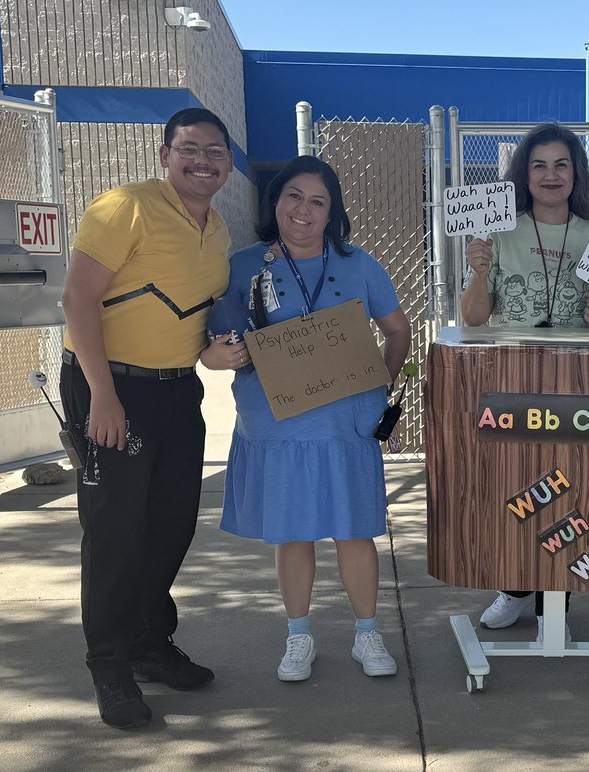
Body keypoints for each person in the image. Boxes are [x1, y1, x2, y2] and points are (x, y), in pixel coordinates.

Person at [60, 107, 241, 729]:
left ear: (229, 163)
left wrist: (213, 355)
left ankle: (147, 643)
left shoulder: (216, 229)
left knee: (170, 527)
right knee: (115, 535)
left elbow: (189, 319)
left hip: (176, 391)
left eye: (215, 151)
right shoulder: (124, 207)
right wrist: (102, 398)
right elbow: (77, 298)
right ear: (165, 154)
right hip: (112, 388)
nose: (202, 160)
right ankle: (109, 668)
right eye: (189, 148)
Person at [209, 155, 411, 684]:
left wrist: (381, 383)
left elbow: (398, 330)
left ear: (332, 213)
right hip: (276, 427)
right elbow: (212, 342)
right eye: (293, 196)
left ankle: (368, 633)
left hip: (345, 427)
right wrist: (216, 357)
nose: (304, 209)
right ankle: (298, 636)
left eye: (318, 201)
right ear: (275, 202)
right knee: (292, 534)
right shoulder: (243, 265)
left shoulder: (359, 264)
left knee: (353, 532)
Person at [460, 122, 589, 637]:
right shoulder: (499, 232)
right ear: (523, 175)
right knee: (515, 486)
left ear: (576, 173)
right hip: (512, 381)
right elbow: (473, 320)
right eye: (539, 165)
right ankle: (513, 586)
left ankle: (560, 594)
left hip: (577, 384)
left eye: (561, 165)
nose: (550, 175)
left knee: (570, 489)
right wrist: (479, 271)